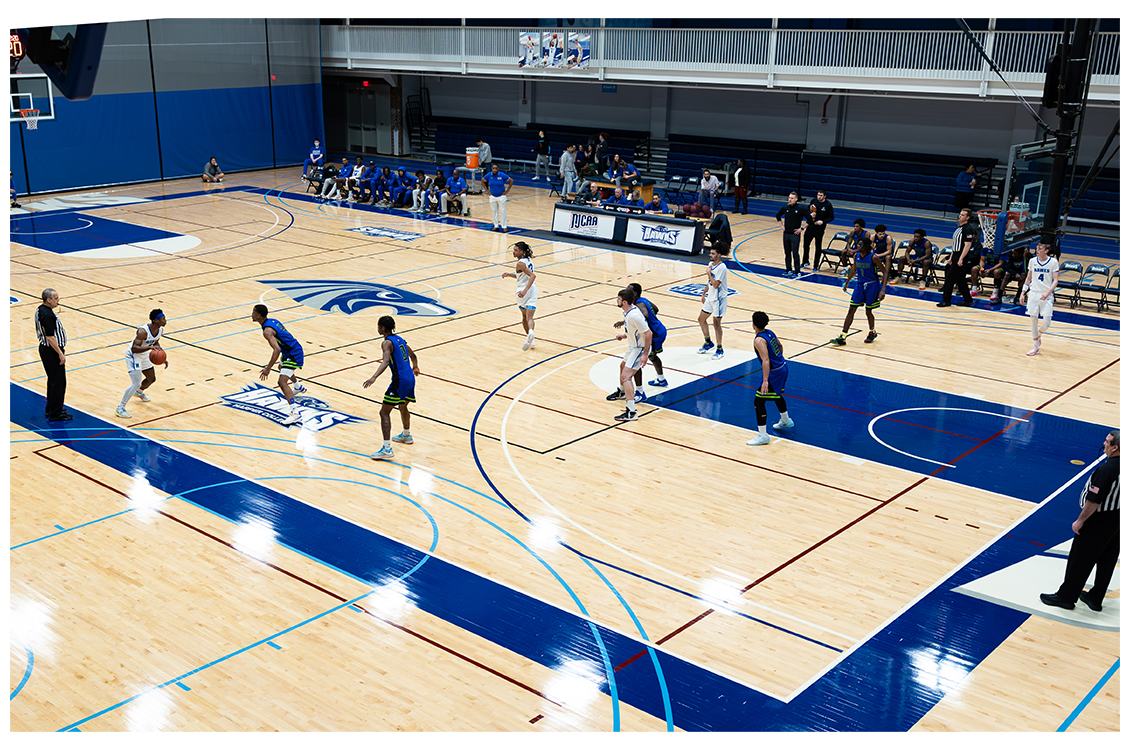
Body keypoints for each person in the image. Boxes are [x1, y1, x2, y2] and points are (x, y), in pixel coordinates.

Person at [1040, 430, 1120, 612]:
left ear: (1115, 447)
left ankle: (1066, 597)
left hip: (1099, 520)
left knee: (1080, 559)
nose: (1104, 444)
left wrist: (1080, 520)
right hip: (1118, 520)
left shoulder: (1107, 470)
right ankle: (1095, 597)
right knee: (1108, 559)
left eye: (1107, 441)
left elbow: (1094, 500)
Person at [363, 315, 420, 460]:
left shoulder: (387, 343)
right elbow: (413, 356)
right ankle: (406, 435)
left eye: (378, 326)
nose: (378, 328)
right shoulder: (401, 340)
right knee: (403, 407)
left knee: (384, 413)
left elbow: (386, 361)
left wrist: (374, 377)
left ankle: (387, 449)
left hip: (399, 381)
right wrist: (415, 367)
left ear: (382, 328)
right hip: (410, 379)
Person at [608, 282, 668, 401]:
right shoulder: (641, 301)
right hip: (655, 330)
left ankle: (640, 391)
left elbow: (643, 315)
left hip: (654, 333)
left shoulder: (637, 309)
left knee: (643, 360)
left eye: (628, 290)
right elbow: (655, 309)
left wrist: (642, 322)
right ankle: (661, 379)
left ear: (634, 293)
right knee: (646, 358)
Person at [251, 304, 305, 426]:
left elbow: (276, 349)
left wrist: (268, 368)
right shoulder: (272, 321)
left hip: (293, 353)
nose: (252, 314)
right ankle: (297, 387)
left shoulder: (267, 331)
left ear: (259, 315)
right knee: (282, 367)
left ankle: (295, 413)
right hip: (290, 350)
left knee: (282, 382)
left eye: (253, 312)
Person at [746, 311, 793, 447]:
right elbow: (780, 346)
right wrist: (779, 360)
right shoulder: (770, 332)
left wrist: (765, 380)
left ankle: (763, 435)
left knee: (758, 401)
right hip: (783, 367)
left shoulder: (759, 340)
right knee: (776, 395)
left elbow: (765, 360)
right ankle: (785, 420)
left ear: (753, 324)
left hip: (774, 373)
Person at [830, 236, 884, 346]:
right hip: (859, 285)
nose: (858, 246)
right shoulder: (856, 255)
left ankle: (872, 332)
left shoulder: (874, 257)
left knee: (868, 311)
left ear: (867, 246)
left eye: (860, 245)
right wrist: (847, 281)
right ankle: (843, 336)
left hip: (872, 286)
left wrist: (882, 289)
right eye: (858, 244)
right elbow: (854, 268)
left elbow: (885, 272)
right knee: (851, 310)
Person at [115, 309, 168, 419]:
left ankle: (138, 392)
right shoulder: (142, 331)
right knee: (136, 383)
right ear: (156, 320)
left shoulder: (160, 330)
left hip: (143, 354)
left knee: (151, 378)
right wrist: (150, 347)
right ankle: (120, 408)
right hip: (133, 356)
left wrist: (162, 355)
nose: (165, 320)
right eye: (163, 319)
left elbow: (155, 342)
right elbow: (134, 348)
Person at [612, 287, 652, 423]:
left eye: (618, 298)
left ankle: (632, 412)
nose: (616, 300)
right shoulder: (628, 312)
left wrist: (645, 354)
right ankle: (623, 393)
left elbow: (648, 333)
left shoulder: (634, 315)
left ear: (624, 302)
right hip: (632, 346)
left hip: (639, 348)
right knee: (622, 366)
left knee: (626, 376)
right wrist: (624, 335)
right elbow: (635, 330)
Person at [35, 288, 70, 421]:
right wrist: (60, 353)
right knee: (58, 383)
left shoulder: (40, 309)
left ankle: (52, 408)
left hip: (47, 350)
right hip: (51, 351)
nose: (58, 300)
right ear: (48, 300)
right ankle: (56, 413)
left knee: (53, 381)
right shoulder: (47, 315)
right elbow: (50, 337)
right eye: (55, 298)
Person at [1019, 241, 1059, 356]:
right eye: (1037, 248)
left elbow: (1055, 280)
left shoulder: (1053, 262)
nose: (1037, 250)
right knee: (1033, 320)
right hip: (1033, 293)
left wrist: (1048, 293)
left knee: (1047, 323)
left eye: (1040, 248)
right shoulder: (1032, 261)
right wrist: (1023, 293)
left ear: (1046, 251)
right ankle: (1035, 346)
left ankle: (1039, 333)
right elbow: (1028, 278)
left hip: (1046, 294)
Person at [500, 241, 538, 351]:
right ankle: (531, 333)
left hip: (523, 290)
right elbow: (522, 276)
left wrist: (525, 290)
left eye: (516, 250)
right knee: (530, 317)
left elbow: (532, 276)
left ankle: (531, 338)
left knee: (524, 316)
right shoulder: (528, 260)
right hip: (533, 289)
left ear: (522, 251)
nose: (513, 252)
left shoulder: (519, 264)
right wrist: (510, 275)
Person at [938, 207, 978, 308]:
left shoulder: (968, 229)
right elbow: (955, 245)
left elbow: (967, 245)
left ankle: (946, 301)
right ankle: (968, 300)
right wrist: (951, 257)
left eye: (963, 215)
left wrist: (961, 258)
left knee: (949, 278)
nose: (960, 216)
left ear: (968, 217)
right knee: (960, 280)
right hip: (956, 255)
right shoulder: (959, 228)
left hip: (961, 257)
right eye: (960, 214)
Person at [697, 246, 729, 360]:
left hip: (719, 299)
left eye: (713, 253)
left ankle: (720, 349)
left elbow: (716, 284)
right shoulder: (710, 264)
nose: (710, 255)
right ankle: (708, 343)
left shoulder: (722, 267)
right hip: (711, 297)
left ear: (719, 255)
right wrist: (704, 293)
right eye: (710, 253)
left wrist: (709, 274)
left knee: (716, 324)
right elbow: (710, 284)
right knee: (701, 319)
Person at [775, 191, 808, 278]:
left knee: (795, 253)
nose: (790, 200)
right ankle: (788, 269)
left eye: (792, 198)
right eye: (789, 198)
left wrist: (802, 228)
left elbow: (810, 219)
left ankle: (797, 271)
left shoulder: (800, 208)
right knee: (787, 253)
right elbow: (778, 215)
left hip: (795, 235)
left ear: (796, 199)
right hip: (786, 234)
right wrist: (781, 225)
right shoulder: (786, 207)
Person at [801, 190, 834, 268]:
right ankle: (805, 262)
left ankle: (816, 265)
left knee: (818, 247)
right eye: (818, 195)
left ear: (825, 196)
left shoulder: (828, 205)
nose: (819, 197)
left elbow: (831, 217)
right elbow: (807, 209)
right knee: (806, 244)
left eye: (821, 195)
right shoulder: (813, 201)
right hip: (810, 226)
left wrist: (822, 221)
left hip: (819, 228)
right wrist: (810, 213)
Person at [482, 163, 514, 232]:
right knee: (494, 212)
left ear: (498, 169)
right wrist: (487, 190)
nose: (494, 170)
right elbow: (482, 181)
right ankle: (496, 226)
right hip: (492, 196)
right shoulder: (489, 175)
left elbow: (511, 180)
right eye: (493, 168)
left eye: (496, 168)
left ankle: (504, 226)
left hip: (501, 196)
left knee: (503, 212)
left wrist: (507, 191)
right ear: (491, 169)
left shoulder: (502, 175)